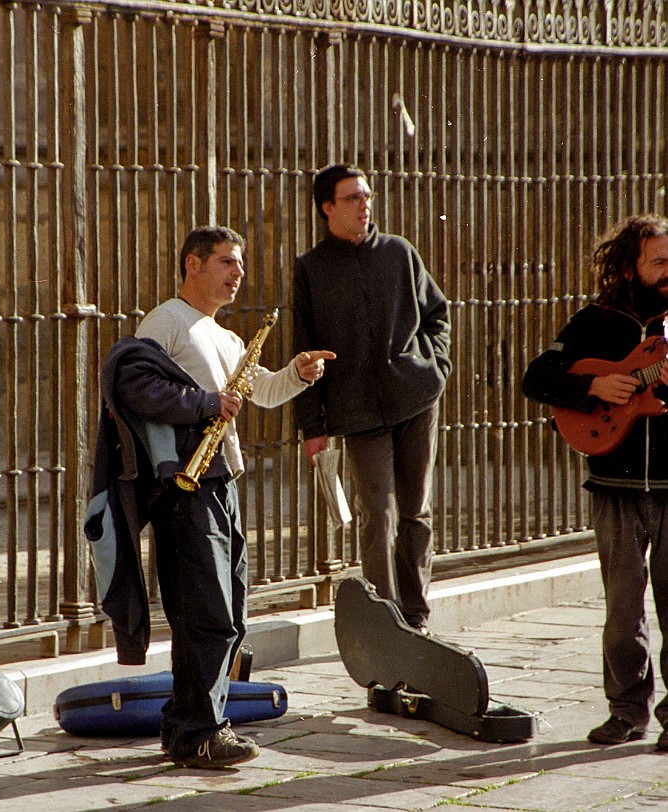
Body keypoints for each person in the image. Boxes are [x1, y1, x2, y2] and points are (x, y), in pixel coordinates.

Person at [89, 225, 334, 769]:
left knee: (230, 608)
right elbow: (132, 381)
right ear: (192, 265)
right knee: (208, 611)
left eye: (240, 264)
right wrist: (205, 402)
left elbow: (260, 391)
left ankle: (185, 724)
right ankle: (202, 730)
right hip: (187, 487)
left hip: (222, 478)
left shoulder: (224, 336)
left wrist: (297, 373)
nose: (237, 273)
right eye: (225, 261)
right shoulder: (166, 321)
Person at [522, 213, 668, 749]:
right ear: (630, 267)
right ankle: (627, 711)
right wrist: (594, 389)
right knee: (622, 609)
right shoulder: (595, 321)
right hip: (614, 484)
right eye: (659, 262)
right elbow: (536, 379)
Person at [292, 164, 451, 634]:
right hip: (358, 412)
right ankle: (387, 623)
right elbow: (303, 350)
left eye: (367, 196)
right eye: (352, 198)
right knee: (377, 515)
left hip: (416, 399)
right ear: (327, 208)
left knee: (414, 510)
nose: (365, 205)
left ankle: (417, 616)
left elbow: (438, 313)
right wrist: (312, 427)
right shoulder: (311, 269)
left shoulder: (399, 252)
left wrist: (434, 366)